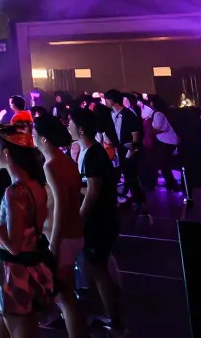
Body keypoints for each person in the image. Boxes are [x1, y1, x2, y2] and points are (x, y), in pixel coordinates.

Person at [0, 122, 55, 338]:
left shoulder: (15, 192)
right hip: (20, 270)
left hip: (13, 276)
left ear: (7, 153)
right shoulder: (35, 186)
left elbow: (14, 246)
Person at [70, 108, 123, 336]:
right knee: (98, 270)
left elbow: (93, 192)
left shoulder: (93, 154)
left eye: (71, 123)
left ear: (81, 129)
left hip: (100, 220)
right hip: (101, 218)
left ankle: (116, 323)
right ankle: (112, 317)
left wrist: (79, 218)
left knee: (99, 271)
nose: (68, 127)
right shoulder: (89, 151)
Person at [33, 115, 88, 338]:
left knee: (65, 297)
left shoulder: (51, 165)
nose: (32, 137)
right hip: (74, 233)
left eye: (34, 133)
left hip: (63, 238)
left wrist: (54, 243)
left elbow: (61, 204)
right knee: (67, 295)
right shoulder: (64, 161)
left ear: (44, 139)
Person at [105, 90, 146, 212]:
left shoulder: (129, 115)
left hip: (128, 151)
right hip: (118, 150)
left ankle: (140, 203)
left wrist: (131, 149)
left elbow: (136, 137)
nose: (105, 102)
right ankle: (128, 199)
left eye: (107, 99)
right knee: (122, 177)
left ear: (112, 100)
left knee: (131, 177)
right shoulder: (111, 115)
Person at [147, 96, 182, 192]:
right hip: (168, 141)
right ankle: (171, 184)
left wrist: (148, 130)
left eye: (150, 102)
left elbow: (158, 129)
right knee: (164, 164)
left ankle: (172, 185)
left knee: (164, 164)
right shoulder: (162, 112)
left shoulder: (158, 114)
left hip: (167, 142)